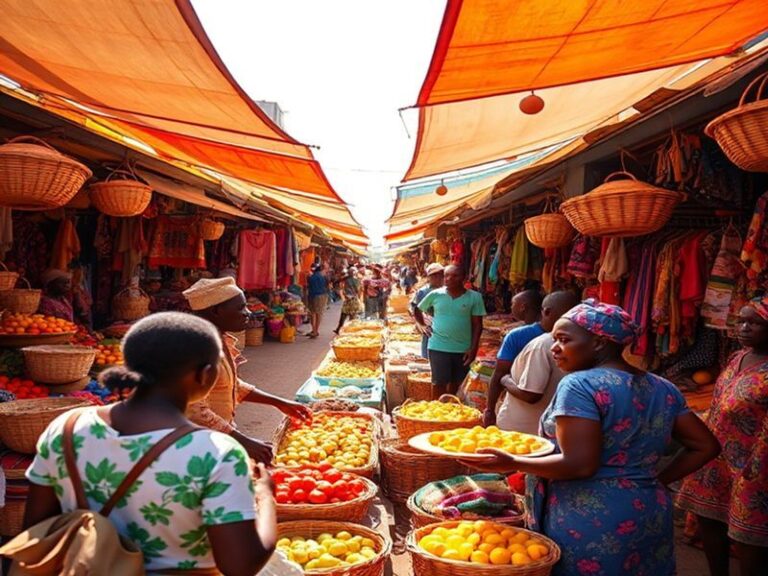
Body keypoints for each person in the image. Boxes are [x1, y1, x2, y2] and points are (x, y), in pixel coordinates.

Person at [464, 300, 720, 576]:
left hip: (591, 516)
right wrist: (657, 479)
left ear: (598, 343)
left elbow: (580, 464)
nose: (554, 348)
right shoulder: (662, 387)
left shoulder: (580, 385)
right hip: (649, 509)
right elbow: (705, 445)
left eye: (564, 340)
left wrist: (514, 461)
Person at [23, 313, 277, 575]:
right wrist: (265, 496)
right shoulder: (217, 453)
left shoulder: (65, 427)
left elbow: (36, 528)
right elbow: (241, 565)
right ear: (205, 375)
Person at [677, 296, 768, 576]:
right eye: (741, 320)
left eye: (754, 323)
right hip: (716, 456)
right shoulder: (737, 357)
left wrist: (755, 467)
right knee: (709, 521)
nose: (743, 327)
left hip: (756, 465)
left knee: (748, 536)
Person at [183, 277, 311, 464]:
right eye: (241, 308)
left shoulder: (218, 340)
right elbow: (194, 410)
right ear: (216, 311)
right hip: (197, 448)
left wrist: (279, 402)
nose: (248, 313)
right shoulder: (195, 350)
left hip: (219, 439)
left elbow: (229, 385)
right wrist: (243, 442)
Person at [491, 291, 580, 433]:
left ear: (547, 311)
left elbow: (530, 395)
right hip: (551, 426)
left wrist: (505, 380)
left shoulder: (541, 345)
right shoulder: (578, 344)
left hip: (525, 428)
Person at [414, 265, 486, 396]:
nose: (449, 279)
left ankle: (451, 410)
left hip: (463, 349)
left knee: (457, 383)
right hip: (438, 347)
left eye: (455, 276)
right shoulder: (435, 294)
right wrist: (423, 325)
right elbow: (417, 309)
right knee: (438, 383)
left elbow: (477, 325)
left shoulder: (475, 297)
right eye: (446, 276)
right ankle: (437, 411)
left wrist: (473, 348)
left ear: (464, 278)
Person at [483, 289, 545, 426]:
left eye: (513, 303)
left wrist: (490, 409)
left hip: (519, 401)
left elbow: (500, 372)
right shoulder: (555, 335)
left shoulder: (516, 335)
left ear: (523, 306)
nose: (511, 307)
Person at [409, 263, 445, 359]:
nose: (438, 278)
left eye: (441, 275)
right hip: (430, 325)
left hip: (446, 327)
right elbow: (415, 308)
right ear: (429, 277)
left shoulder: (449, 290)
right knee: (429, 353)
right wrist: (421, 324)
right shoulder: (423, 291)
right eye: (435, 275)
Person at [334, 267, 362, 335]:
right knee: (352, 316)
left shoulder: (346, 279)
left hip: (348, 299)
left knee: (343, 314)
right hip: (354, 299)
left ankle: (339, 328)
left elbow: (337, 283)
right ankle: (351, 330)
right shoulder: (357, 280)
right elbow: (358, 291)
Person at [306, 264, 329, 338]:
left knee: (313, 313)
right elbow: (327, 285)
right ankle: (316, 330)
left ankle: (314, 330)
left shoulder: (311, 277)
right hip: (321, 295)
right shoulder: (323, 277)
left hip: (312, 295)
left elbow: (308, 285)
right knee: (318, 313)